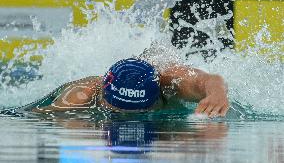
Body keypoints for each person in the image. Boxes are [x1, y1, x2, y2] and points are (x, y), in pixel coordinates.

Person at [32, 57, 229, 118]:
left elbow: (210, 80)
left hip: (160, 64)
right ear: (104, 97)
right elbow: (36, 115)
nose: (129, 118)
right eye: (117, 111)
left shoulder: (171, 82)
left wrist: (217, 94)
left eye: (142, 111)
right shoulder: (80, 96)